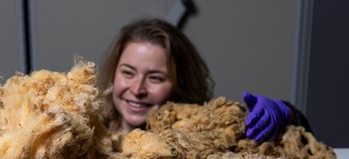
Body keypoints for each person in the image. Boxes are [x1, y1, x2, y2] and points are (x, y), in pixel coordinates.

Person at [98, 18, 311, 142]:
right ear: (114, 72)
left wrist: (287, 114)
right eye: (127, 72)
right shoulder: (89, 132)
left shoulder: (207, 135)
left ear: (180, 84)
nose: (137, 89)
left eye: (155, 77)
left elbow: (307, 146)